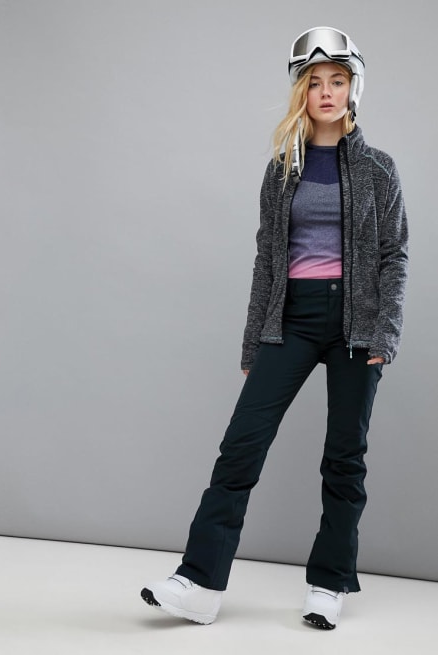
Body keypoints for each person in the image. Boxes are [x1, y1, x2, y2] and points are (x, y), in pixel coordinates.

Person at [140, 26, 408, 630]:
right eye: (315, 83)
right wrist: (251, 342)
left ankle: (328, 584)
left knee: (345, 457)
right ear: (300, 92)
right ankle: (200, 583)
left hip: (357, 326)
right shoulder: (282, 170)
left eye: (337, 81)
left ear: (354, 88)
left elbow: (395, 255)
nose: (327, 92)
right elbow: (267, 259)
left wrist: (385, 333)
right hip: (291, 320)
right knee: (241, 447)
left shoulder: (379, 170)